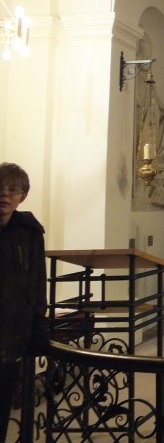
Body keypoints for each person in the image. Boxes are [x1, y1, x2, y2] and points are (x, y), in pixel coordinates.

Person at [0, 163, 48, 441]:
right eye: (0, 188)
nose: (5, 195)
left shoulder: (29, 232)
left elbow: (37, 280)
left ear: (23, 195)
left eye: (13, 189)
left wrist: (38, 323)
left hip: (10, 336)